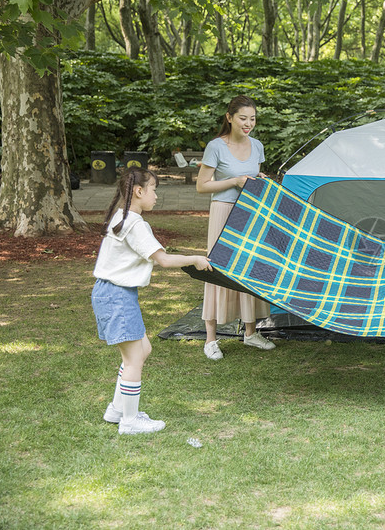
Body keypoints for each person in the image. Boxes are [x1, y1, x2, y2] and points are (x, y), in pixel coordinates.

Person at [93, 168, 212, 434]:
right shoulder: (135, 223)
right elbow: (164, 260)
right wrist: (196, 259)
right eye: (154, 189)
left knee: (142, 349)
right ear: (138, 191)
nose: (156, 196)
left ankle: (117, 409)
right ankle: (130, 421)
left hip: (113, 293)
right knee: (135, 357)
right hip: (116, 296)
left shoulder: (121, 216)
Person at [196, 95, 275, 360]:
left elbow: (251, 177)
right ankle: (210, 339)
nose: (248, 123)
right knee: (217, 269)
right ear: (229, 118)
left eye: (252, 119)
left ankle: (251, 333)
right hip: (224, 211)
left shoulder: (258, 146)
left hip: (250, 214)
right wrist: (233, 181)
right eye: (243, 118)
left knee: (250, 269)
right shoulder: (215, 147)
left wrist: (258, 179)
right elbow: (202, 186)